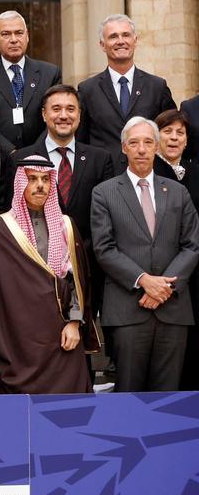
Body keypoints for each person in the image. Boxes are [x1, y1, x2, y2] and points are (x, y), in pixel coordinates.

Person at [0, 156, 101, 393]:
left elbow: (77, 283)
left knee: (67, 412)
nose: (40, 185)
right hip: (13, 341)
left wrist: (74, 323)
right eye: (32, 179)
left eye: (45, 179)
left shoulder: (66, 226)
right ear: (21, 183)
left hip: (60, 338)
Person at [92, 116, 199, 392]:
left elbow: (191, 245)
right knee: (130, 395)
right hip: (128, 309)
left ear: (156, 148)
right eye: (134, 143)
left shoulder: (178, 192)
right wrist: (144, 280)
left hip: (173, 309)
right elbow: (104, 248)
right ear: (124, 147)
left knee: (168, 398)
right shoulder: (104, 193)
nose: (141, 149)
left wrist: (164, 286)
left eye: (148, 142)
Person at [10, 84, 117, 351]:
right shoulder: (21, 159)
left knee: (83, 350)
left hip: (88, 267)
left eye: (71, 109)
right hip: (35, 271)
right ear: (44, 114)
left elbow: (106, 215)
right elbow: (8, 212)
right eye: (56, 109)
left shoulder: (100, 159)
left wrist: (79, 253)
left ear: (80, 116)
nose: (63, 115)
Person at [0, 11, 62, 156]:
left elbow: (56, 116)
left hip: (42, 160)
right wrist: (11, 152)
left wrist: (35, 151)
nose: (14, 39)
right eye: (6, 34)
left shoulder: (50, 73)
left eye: (19, 33)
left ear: (27, 36)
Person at [78, 14, 176, 157]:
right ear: (102, 45)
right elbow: (81, 140)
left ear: (135, 40)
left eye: (126, 35)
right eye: (113, 37)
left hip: (148, 173)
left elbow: (171, 132)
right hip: (103, 175)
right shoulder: (87, 90)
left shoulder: (157, 87)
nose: (120, 41)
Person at [153, 110, 199, 389]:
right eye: (167, 131)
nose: (173, 138)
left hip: (195, 273)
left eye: (179, 133)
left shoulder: (195, 171)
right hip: (162, 276)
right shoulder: (148, 171)